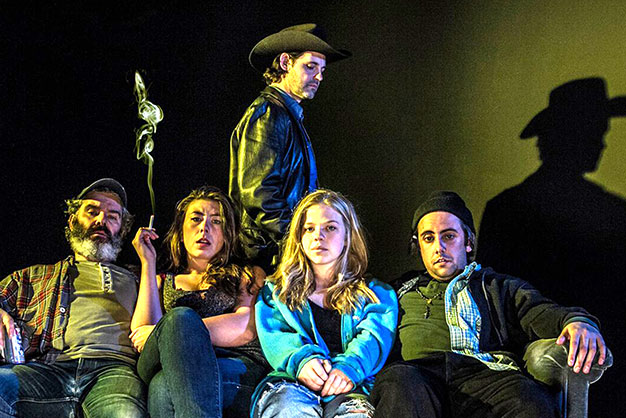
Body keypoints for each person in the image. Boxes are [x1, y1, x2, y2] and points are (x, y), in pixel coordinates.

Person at [370, 191, 606, 418]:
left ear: (468, 241)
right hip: (419, 377)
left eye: (449, 236)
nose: (438, 247)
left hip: (483, 377)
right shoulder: (398, 290)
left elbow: (540, 311)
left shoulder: (495, 285)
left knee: (528, 398)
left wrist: (577, 321)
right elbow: (363, 321)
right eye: (429, 238)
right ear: (419, 246)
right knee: (397, 380)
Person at [0, 178, 147, 417]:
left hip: (114, 372)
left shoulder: (142, 279)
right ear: (72, 220)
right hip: (50, 370)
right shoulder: (35, 276)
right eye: (92, 212)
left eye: (113, 216)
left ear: (122, 228)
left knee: (125, 414)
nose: (101, 221)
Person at [251, 189, 398, 418]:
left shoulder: (376, 294)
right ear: (299, 237)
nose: (318, 236)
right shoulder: (276, 292)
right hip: (291, 385)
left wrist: (350, 367)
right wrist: (302, 361)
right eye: (309, 229)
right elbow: (276, 335)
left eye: (330, 228)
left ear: (348, 236)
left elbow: (374, 337)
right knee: (289, 410)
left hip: (351, 389)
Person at [130, 185, 267, 418]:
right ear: (181, 229)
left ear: (227, 234)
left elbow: (245, 327)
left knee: (162, 386)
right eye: (196, 219)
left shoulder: (246, 274)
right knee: (178, 322)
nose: (204, 227)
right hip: (170, 363)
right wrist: (147, 262)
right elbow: (142, 337)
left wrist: (178, 331)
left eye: (216, 221)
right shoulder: (161, 280)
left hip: (231, 363)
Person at [229, 23, 351, 272]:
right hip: (267, 256)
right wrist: (296, 239)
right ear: (285, 63)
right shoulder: (268, 114)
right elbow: (258, 193)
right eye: (310, 66)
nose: (319, 77)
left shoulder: (285, 114)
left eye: (322, 70)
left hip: (282, 252)